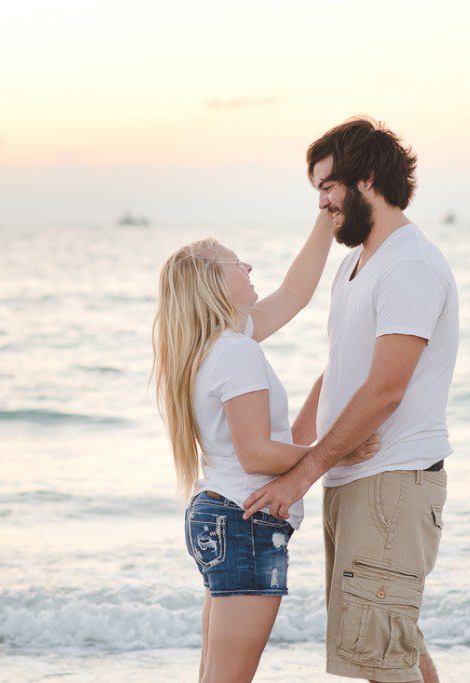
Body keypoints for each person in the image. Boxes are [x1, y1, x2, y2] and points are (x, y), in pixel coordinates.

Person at [243, 117, 459, 683]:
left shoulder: (409, 264)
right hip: (357, 480)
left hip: (392, 479)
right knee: (391, 647)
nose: (322, 205)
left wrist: (302, 475)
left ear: (366, 180)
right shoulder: (355, 264)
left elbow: (386, 388)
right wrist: (295, 445)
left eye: (328, 187)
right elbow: (344, 367)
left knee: (381, 657)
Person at [151, 214, 379, 683]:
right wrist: (336, 451)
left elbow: (296, 293)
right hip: (244, 522)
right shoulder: (236, 352)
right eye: (238, 264)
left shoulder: (215, 346)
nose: (249, 269)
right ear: (215, 283)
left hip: (222, 516)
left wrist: (326, 218)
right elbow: (256, 455)